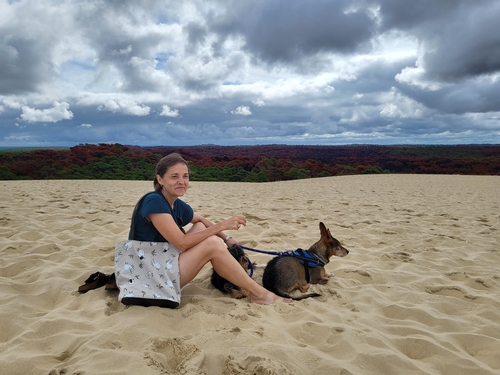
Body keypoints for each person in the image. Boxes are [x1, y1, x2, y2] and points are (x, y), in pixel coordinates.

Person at [131, 152, 285, 305]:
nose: (181, 181)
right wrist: (222, 225)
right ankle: (260, 294)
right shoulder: (154, 201)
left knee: (200, 227)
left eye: (185, 176)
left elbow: (201, 220)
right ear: (160, 179)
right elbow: (181, 243)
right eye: (174, 176)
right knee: (213, 244)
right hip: (149, 276)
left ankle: (235, 269)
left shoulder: (174, 203)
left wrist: (227, 238)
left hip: (164, 261)